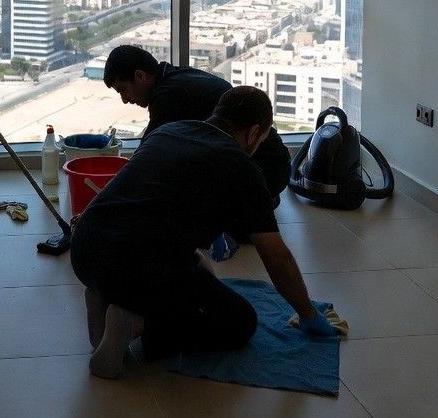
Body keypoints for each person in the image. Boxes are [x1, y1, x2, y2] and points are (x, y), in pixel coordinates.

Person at [70, 86, 337, 380]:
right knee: (239, 322)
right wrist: (308, 314)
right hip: (134, 268)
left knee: (192, 267)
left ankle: (103, 295)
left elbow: (138, 192)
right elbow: (277, 256)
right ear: (254, 132)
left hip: (85, 249)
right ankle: (134, 323)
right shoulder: (242, 168)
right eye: (261, 139)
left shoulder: (170, 131)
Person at [103, 45, 291, 208]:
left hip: (265, 172)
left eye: (123, 90)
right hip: (270, 168)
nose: (125, 100)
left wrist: (107, 198)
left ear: (140, 75)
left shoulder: (168, 96)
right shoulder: (175, 77)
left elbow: (145, 159)